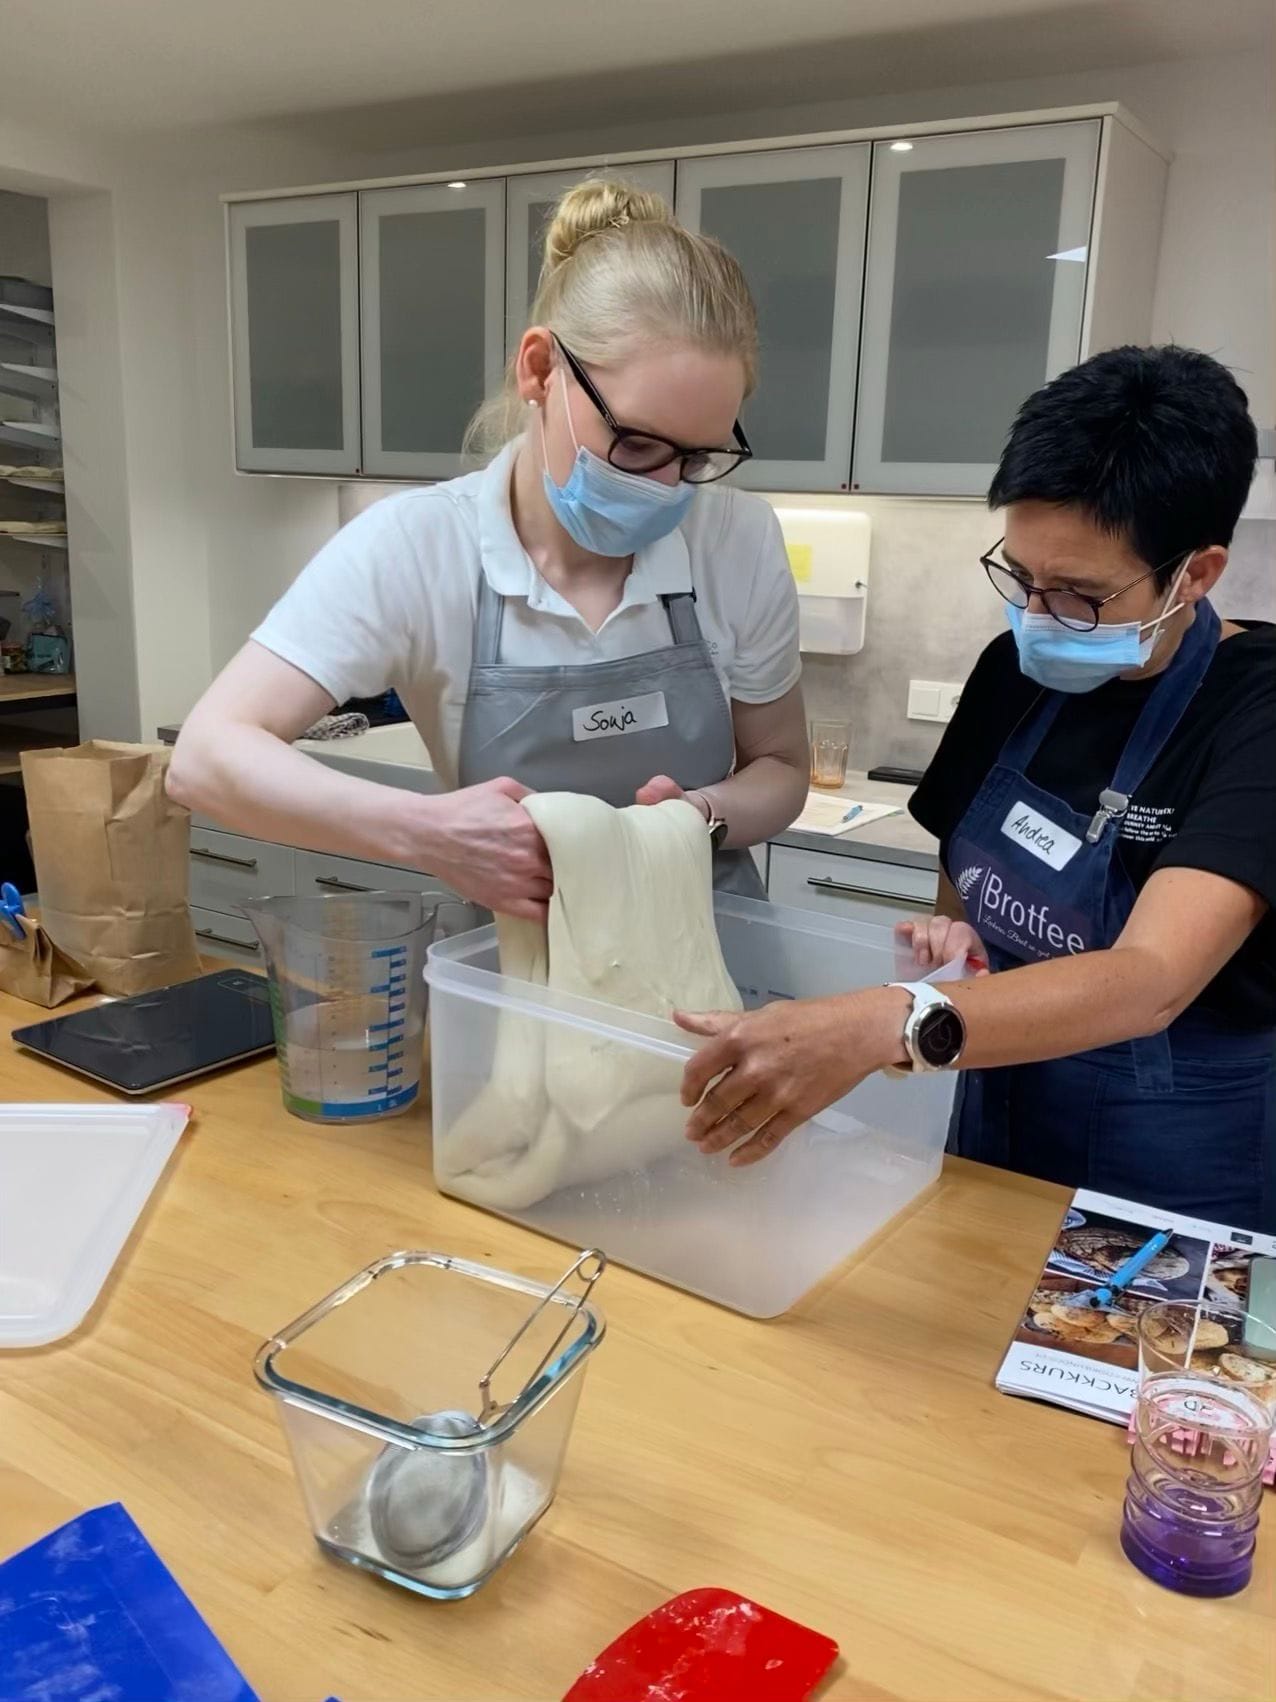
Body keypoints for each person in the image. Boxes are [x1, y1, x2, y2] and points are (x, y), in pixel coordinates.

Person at [677, 345, 1275, 1233]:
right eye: (1022, 578)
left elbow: (1150, 980)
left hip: (1167, 1167)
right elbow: (965, 898)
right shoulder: (1015, 670)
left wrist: (883, 1022)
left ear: (1196, 573)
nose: (1037, 617)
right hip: (982, 1109)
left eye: (1078, 594)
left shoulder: (1254, 711)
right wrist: (948, 949)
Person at [169, 180, 808, 918]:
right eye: (635, 444)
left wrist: (697, 818)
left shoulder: (736, 540)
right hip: (509, 982)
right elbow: (206, 757)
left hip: (716, 966)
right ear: (540, 371)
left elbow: (783, 767)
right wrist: (426, 832)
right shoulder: (419, 547)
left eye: (696, 459)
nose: (666, 487)